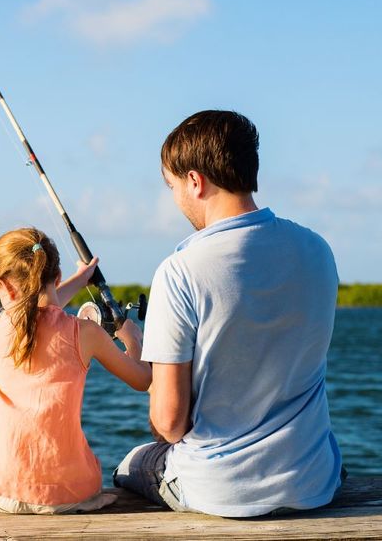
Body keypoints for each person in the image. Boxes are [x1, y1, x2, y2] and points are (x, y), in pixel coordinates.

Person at [113, 110, 344, 517]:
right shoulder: (317, 250)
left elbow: (169, 425)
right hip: (314, 480)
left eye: (172, 186)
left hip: (220, 491)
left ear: (195, 181)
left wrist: (147, 371)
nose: (174, 198)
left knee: (129, 465)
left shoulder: (180, 271)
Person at [0, 227, 152, 514]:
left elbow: (33, 312)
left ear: (5, 286)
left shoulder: (0, 327)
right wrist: (134, 341)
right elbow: (142, 379)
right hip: (65, 495)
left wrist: (81, 280)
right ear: (57, 276)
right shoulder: (86, 333)